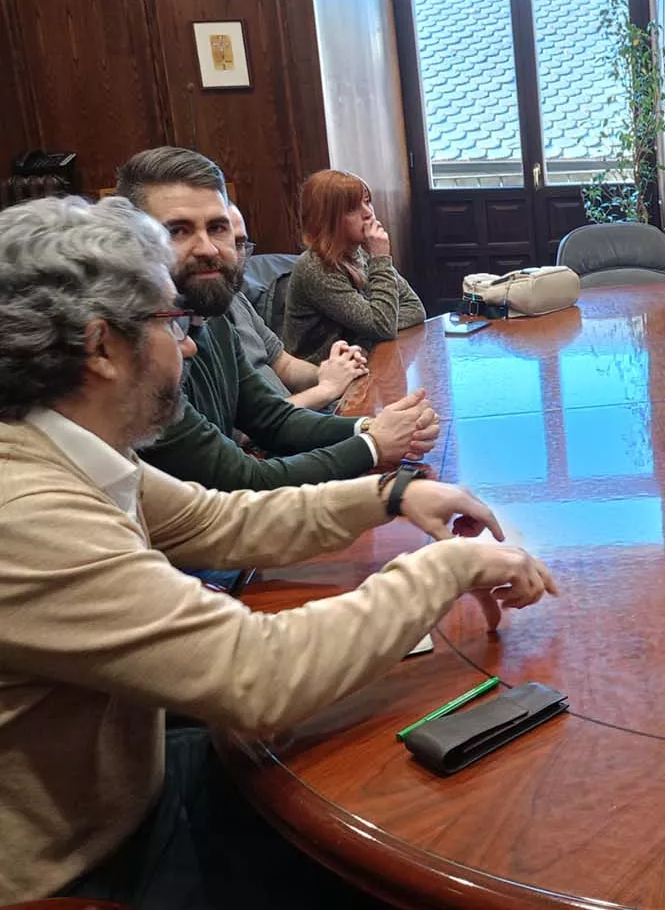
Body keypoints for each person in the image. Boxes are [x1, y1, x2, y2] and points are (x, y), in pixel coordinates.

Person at [0, 194, 555, 905]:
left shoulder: (64, 448)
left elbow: (217, 520)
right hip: (93, 869)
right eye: (174, 322)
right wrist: (448, 565)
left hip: (131, 793)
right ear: (102, 347)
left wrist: (390, 495)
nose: (192, 344)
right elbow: (259, 672)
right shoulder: (31, 514)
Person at [116, 147, 437, 490]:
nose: (209, 248)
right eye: (178, 231)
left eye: (217, 228)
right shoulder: (133, 354)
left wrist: (372, 428)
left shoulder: (210, 315)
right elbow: (242, 479)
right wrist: (373, 446)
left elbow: (271, 418)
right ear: (134, 244)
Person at [226, 201, 367, 410]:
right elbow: (249, 428)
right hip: (275, 436)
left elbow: (285, 365)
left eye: (238, 244)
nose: (227, 255)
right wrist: (327, 388)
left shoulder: (235, 300)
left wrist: (335, 372)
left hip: (296, 419)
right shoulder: (188, 335)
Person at [284, 170, 426, 363]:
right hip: (320, 378)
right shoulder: (315, 266)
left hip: (359, 364)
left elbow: (415, 308)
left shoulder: (362, 253)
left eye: (367, 202)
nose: (368, 213)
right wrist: (381, 258)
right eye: (352, 209)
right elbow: (382, 326)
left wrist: (369, 332)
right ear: (327, 218)